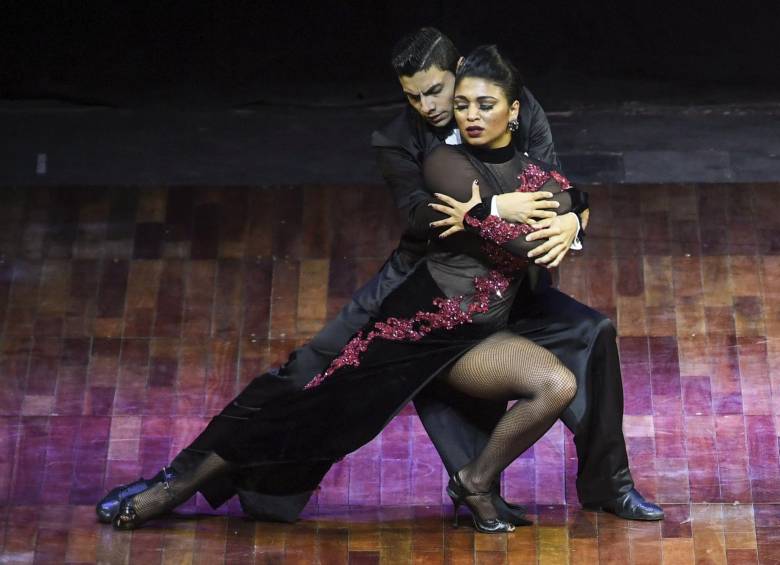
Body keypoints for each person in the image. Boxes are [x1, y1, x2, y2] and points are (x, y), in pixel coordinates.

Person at [97, 28, 661, 526]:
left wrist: (571, 219)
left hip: (509, 288)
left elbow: (553, 180)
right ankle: (188, 480)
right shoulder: (402, 140)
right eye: (414, 96)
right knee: (305, 380)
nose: (433, 107)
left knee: (594, 333)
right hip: (421, 284)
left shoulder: (506, 100)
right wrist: (494, 211)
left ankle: (609, 487)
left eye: (438, 90)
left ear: (461, 74)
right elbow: (424, 216)